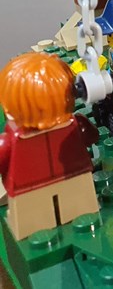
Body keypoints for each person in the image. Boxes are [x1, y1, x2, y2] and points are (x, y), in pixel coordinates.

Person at [0, 52, 99, 240]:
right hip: (74, 176)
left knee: (33, 227)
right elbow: (92, 136)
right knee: (81, 211)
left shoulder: (12, 140)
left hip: (28, 188)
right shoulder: (75, 125)